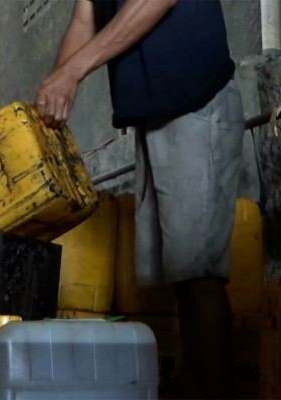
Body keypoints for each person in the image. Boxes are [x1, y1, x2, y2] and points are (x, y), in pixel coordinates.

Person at [35, 1, 244, 398]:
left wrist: (73, 71)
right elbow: (85, 17)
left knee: (200, 277)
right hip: (156, 114)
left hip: (196, 101)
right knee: (182, 277)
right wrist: (53, 93)